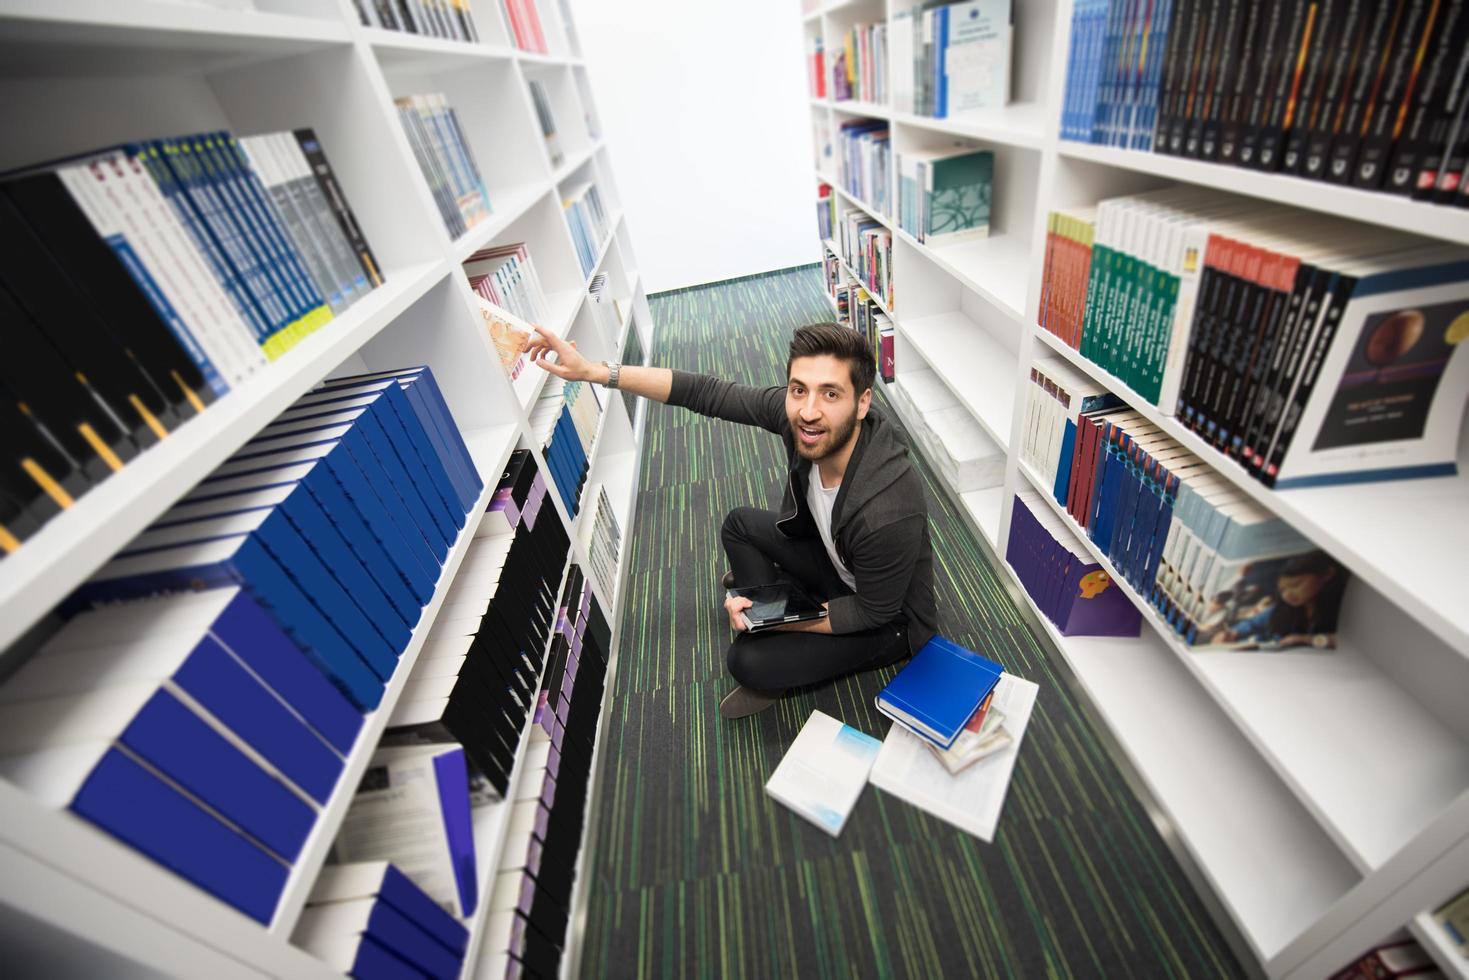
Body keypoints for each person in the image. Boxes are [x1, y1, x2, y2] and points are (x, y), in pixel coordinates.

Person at [525, 321, 937, 718]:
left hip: (884, 620)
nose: (808, 412)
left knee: (747, 660)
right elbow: (708, 393)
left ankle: (775, 614)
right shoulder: (800, 418)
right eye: (799, 390)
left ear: (862, 402)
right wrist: (596, 372)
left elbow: (873, 612)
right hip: (836, 560)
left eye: (831, 394)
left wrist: (771, 620)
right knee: (738, 523)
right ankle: (778, 603)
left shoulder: (887, 509)